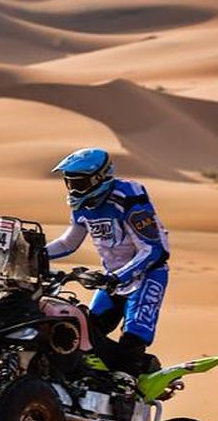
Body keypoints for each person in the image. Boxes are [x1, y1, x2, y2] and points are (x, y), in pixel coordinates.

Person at [45, 148, 170, 377]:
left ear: (99, 179)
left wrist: (115, 278)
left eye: (79, 183)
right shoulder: (84, 207)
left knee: (132, 339)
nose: (73, 189)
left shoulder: (128, 199)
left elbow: (153, 250)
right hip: (112, 279)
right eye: (69, 183)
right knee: (87, 333)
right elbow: (67, 243)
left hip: (146, 277)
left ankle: (128, 389)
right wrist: (34, 252)